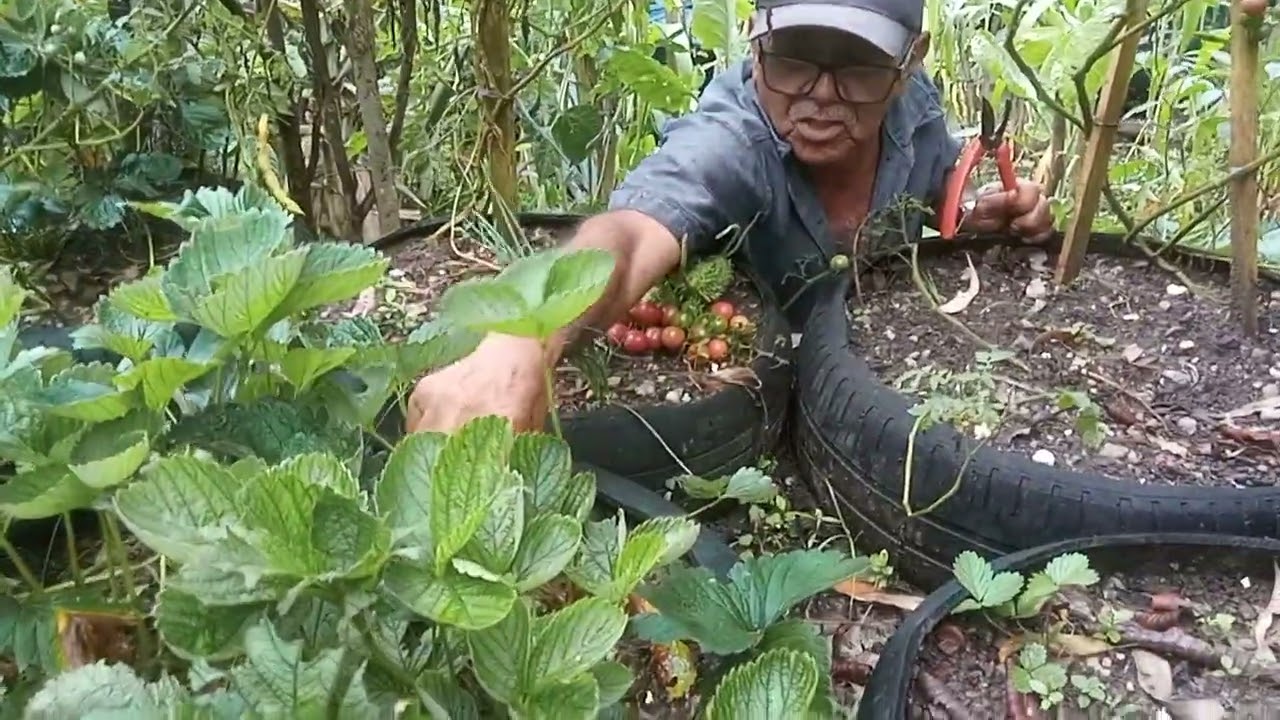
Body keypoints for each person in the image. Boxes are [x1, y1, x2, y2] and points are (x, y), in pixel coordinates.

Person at [406, 0, 1054, 434]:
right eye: (794, 57)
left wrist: (973, 220)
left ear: (909, 61)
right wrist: (522, 343)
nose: (822, 96)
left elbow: (933, 185)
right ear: (754, 40)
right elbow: (631, 233)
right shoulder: (732, 143)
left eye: (857, 65)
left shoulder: (914, 111)